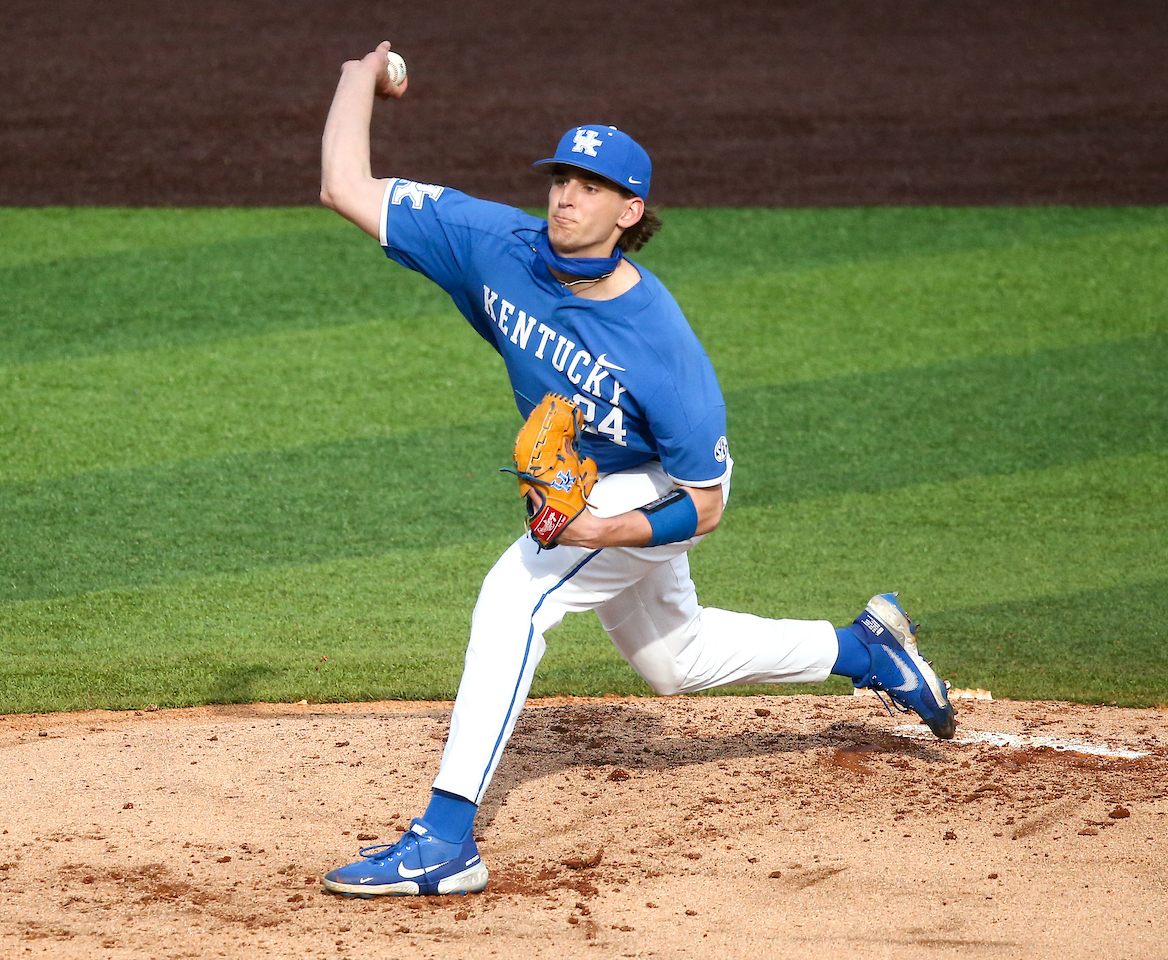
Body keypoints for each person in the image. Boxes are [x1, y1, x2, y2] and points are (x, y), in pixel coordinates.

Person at [318, 41, 955, 899]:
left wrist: (602, 529)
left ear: (630, 209)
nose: (566, 196)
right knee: (675, 661)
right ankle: (866, 650)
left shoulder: (663, 347)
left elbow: (709, 501)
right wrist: (358, 78)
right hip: (595, 483)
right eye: (560, 178)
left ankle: (444, 839)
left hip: (646, 488)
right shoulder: (492, 242)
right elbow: (344, 188)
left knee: (515, 598)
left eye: (590, 186)